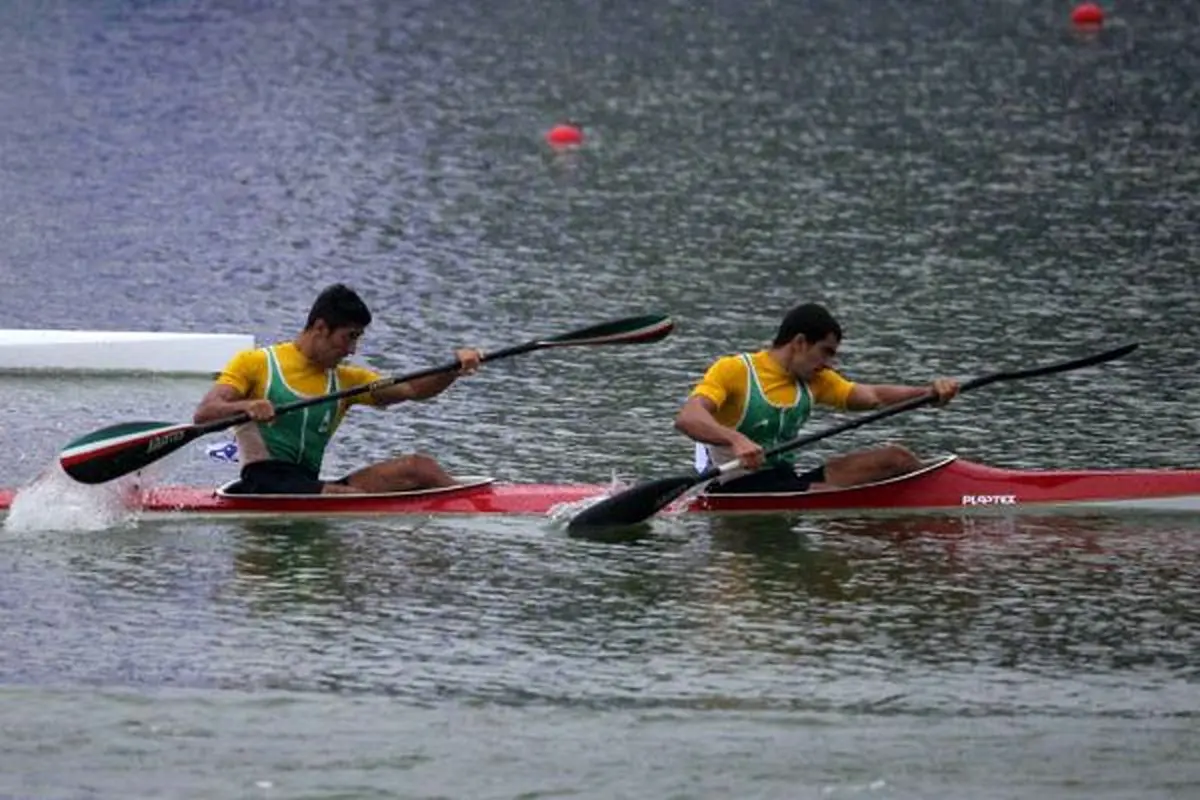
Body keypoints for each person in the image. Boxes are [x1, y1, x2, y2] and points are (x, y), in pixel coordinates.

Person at [193, 283, 482, 495]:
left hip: (309, 486)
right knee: (342, 497)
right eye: (349, 337)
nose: (352, 349)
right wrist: (246, 407)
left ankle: (475, 506)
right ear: (320, 328)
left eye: (358, 339)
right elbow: (204, 415)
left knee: (421, 467)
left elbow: (413, 389)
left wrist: (454, 369)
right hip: (261, 484)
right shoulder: (256, 363)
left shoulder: (346, 380)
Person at [676, 302, 959, 494]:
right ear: (799, 343)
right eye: (826, 351)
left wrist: (928, 392)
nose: (829, 363)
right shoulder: (735, 370)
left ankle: (950, 491)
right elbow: (688, 418)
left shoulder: (816, 379)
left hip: (786, 481)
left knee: (896, 458)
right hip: (735, 487)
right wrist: (735, 440)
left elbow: (872, 395)